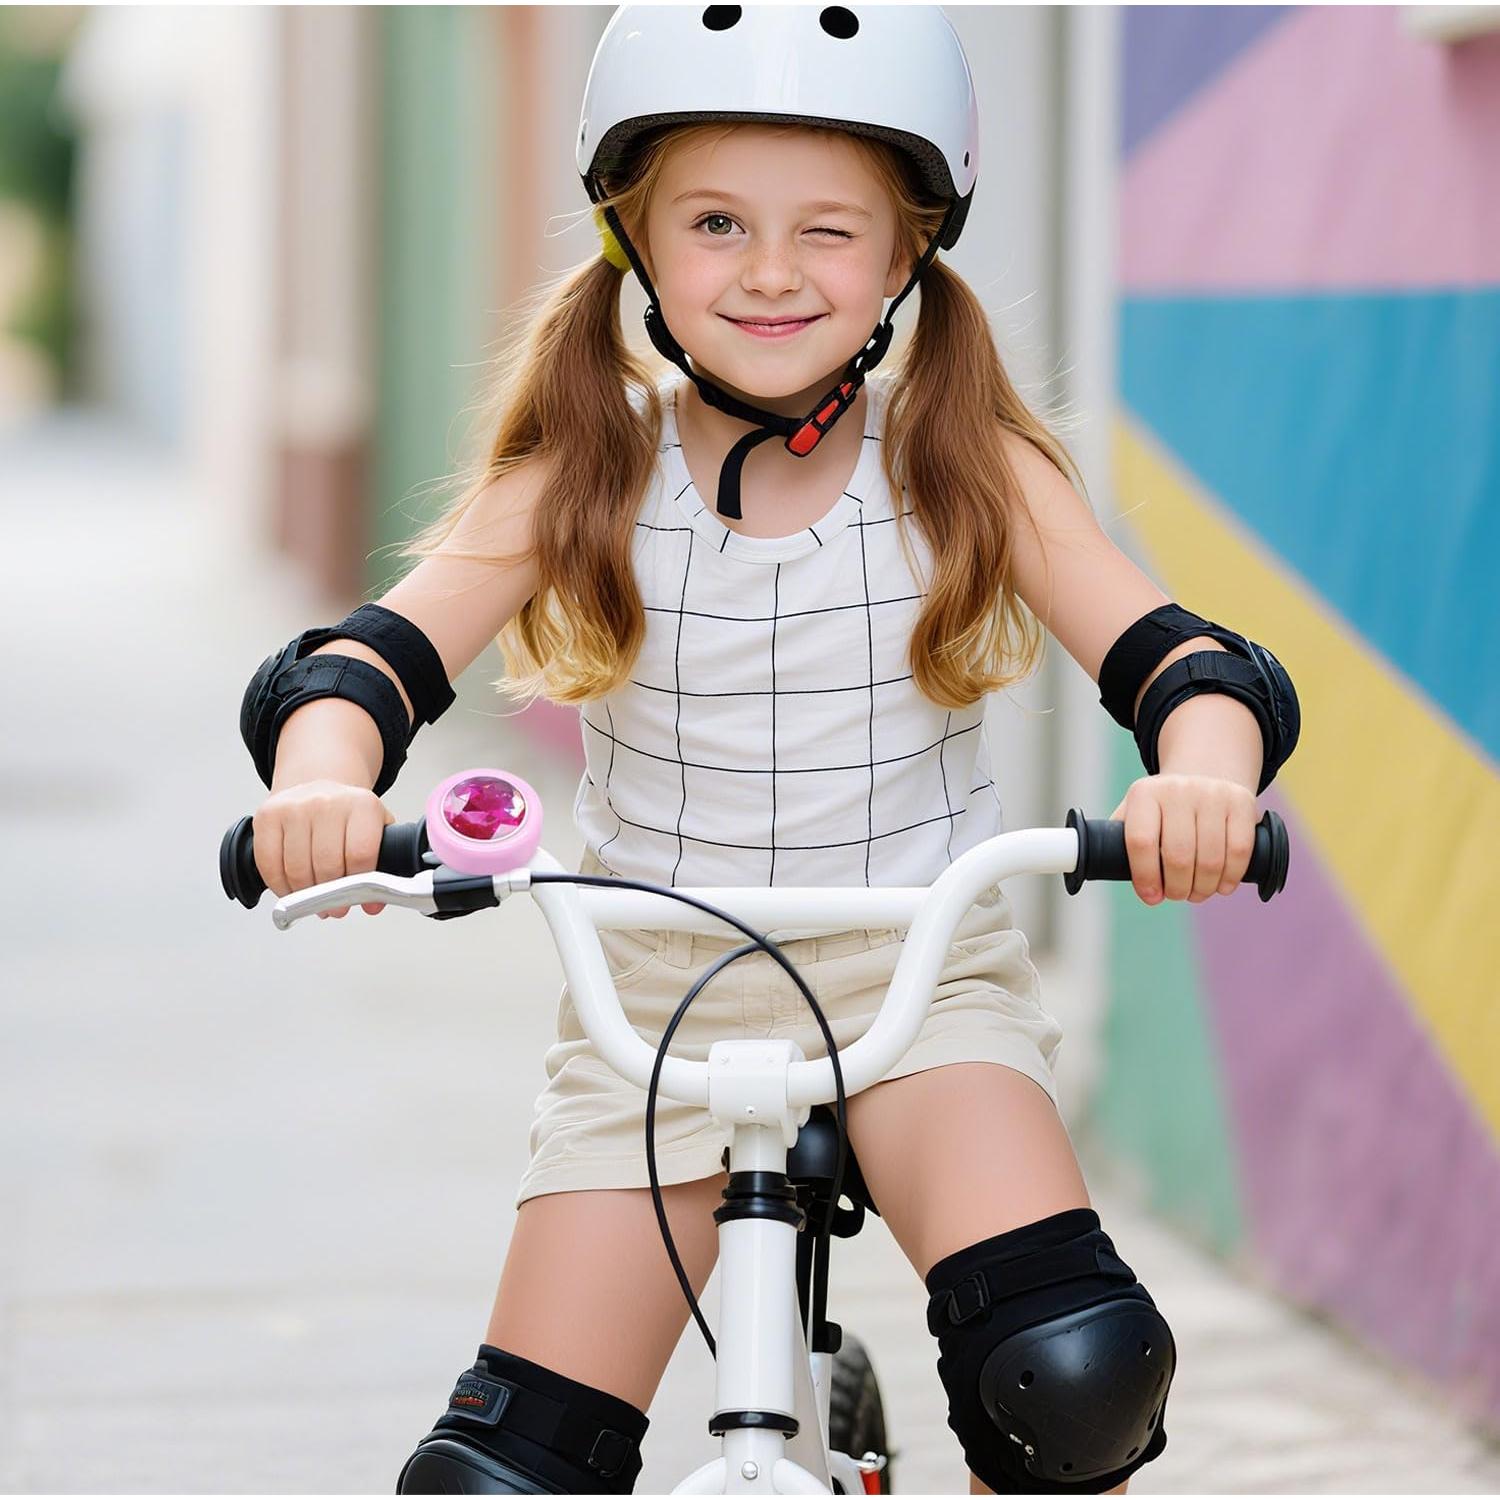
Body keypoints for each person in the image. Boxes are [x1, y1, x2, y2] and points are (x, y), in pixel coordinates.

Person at [240, 8, 1299, 1494]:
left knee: (1068, 1378)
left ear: (907, 251)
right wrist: (322, 784)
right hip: (658, 997)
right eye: (717, 221)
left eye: (829, 229)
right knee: (501, 1476)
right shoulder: (586, 470)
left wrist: (1204, 772)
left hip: (918, 981)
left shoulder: (962, 461)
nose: (773, 270)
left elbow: (1188, 660)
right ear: (634, 237)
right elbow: (362, 661)